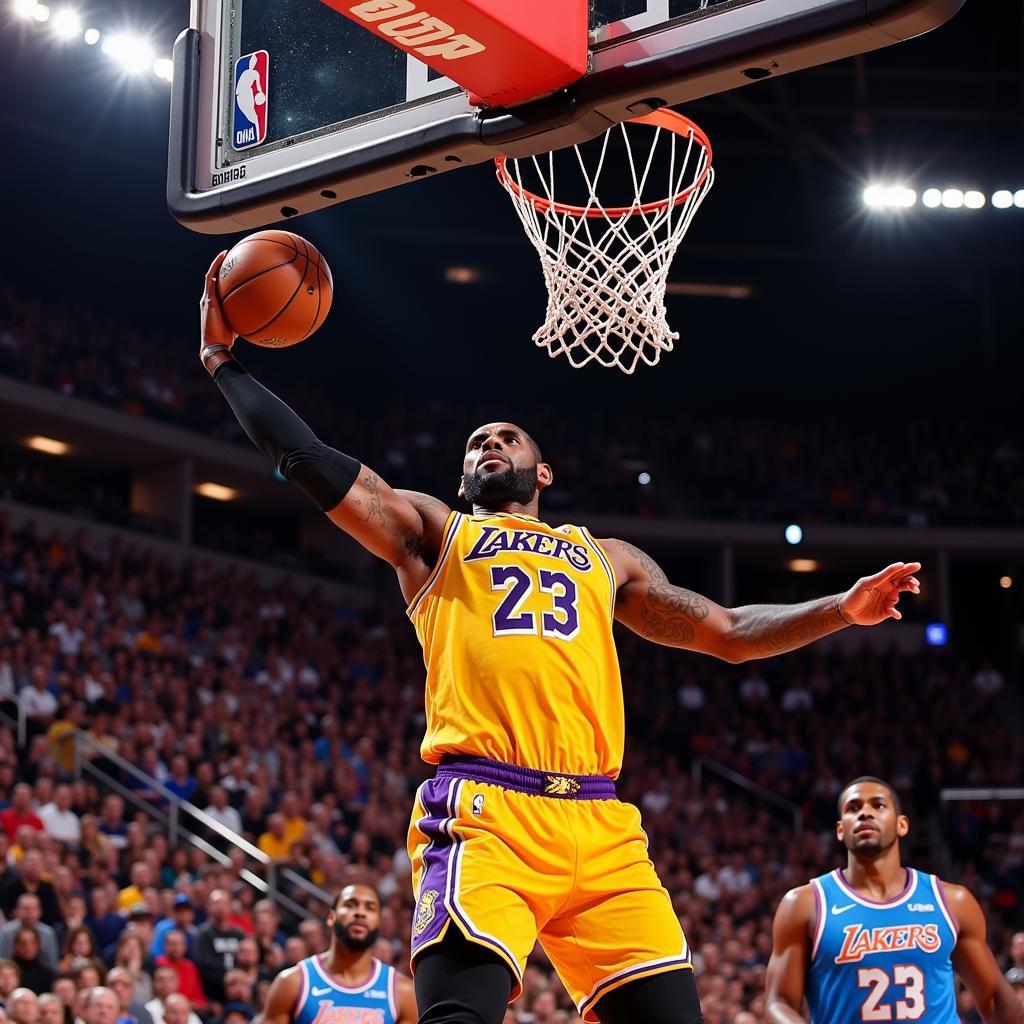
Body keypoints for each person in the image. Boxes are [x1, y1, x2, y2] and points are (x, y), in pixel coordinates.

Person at [199, 254, 922, 1024]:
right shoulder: (434, 534)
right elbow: (308, 461)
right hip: (486, 812)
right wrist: (220, 361)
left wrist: (840, 608)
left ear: (543, 472)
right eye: (476, 441)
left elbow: (732, 632)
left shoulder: (606, 558)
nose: (489, 445)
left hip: (602, 824)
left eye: (506, 438)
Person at [765, 776, 1023, 1024]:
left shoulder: (951, 900)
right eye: (853, 808)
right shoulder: (804, 904)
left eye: (878, 805)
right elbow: (780, 1002)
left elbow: (994, 999)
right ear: (840, 830)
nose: (865, 813)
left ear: (902, 825)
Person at [261, 884, 415, 1024]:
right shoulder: (292, 982)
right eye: (350, 905)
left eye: (370, 908)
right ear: (331, 917)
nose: (360, 913)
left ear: (378, 922)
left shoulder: (402, 991)